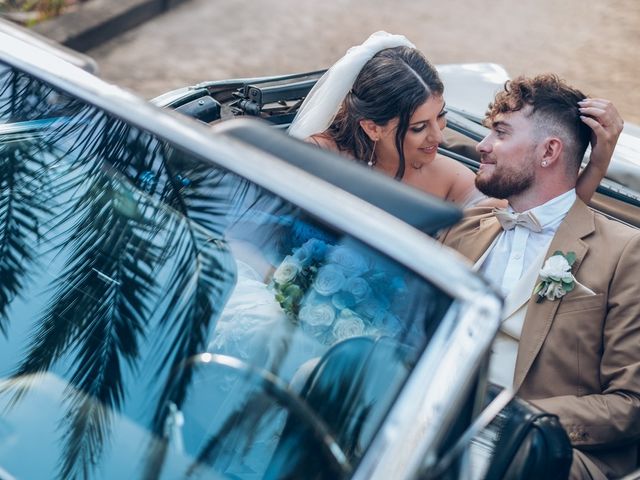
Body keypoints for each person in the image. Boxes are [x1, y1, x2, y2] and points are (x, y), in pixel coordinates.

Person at [441, 74, 640, 479]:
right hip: (434, 417)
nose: (482, 146)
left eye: (499, 132)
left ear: (549, 151)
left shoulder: (623, 253)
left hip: (536, 448)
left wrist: (514, 420)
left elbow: (630, 403)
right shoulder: (467, 226)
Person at [288, 32, 617, 208]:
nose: (438, 137)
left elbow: (538, 222)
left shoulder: (448, 177)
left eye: (440, 117)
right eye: (419, 127)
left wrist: (597, 165)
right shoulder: (318, 156)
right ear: (372, 127)